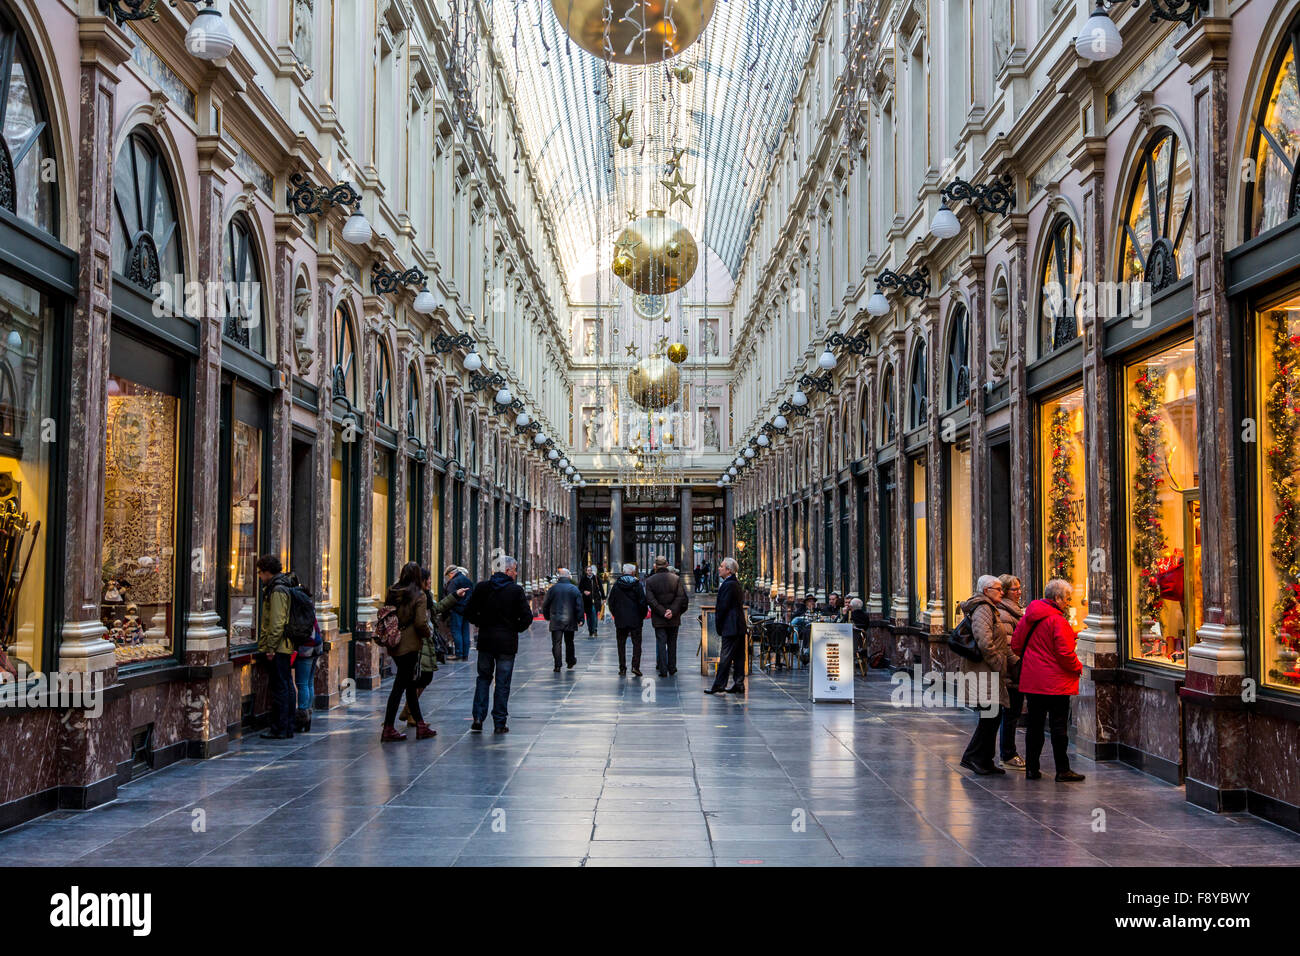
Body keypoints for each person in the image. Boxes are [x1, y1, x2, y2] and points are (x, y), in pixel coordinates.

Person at [1011, 578, 1085, 782]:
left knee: (1034, 726)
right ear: (1057, 598)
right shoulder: (1058, 621)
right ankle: (1062, 770)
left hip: (1033, 681)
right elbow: (1065, 653)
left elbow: (1016, 645)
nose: (1068, 603)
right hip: (1055, 683)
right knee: (1058, 726)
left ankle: (1032, 769)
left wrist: (1035, 657)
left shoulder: (1029, 616)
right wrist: (1077, 667)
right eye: (1067, 599)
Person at [463, 555, 533, 733]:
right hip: (507, 643)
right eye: (515, 570)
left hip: (486, 641)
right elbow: (527, 617)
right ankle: (499, 722)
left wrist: (481, 623)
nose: (516, 573)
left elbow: (469, 611)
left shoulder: (482, 587)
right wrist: (515, 628)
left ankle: (478, 717)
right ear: (507, 571)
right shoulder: (515, 591)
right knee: (502, 682)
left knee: (483, 678)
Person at [957, 575, 1016, 775]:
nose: (1002, 592)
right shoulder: (983, 608)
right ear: (985, 591)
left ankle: (985, 759)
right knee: (990, 716)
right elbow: (984, 641)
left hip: (988, 671)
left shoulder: (990, 607)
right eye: (998, 589)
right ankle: (972, 757)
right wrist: (998, 662)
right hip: (984, 671)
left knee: (993, 715)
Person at [398, 569, 469, 727]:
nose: (430, 581)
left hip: (426, 642)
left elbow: (437, 608)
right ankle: (410, 715)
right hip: (418, 643)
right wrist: (426, 632)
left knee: (423, 678)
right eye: (428, 579)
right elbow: (418, 622)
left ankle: (408, 711)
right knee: (417, 679)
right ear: (421, 580)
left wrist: (455, 595)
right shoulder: (416, 597)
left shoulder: (426, 596)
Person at [381, 562, 435, 742]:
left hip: (394, 642)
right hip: (410, 645)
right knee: (400, 686)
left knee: (410, 685)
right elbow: (420, 622)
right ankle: (388, 728)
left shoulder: (392, 591)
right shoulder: (419, 595)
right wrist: (427, 633)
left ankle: (420, 725)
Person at [255, 555, 296, 739]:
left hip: (279, 647)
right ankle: (287, 727)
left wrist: (271, 647)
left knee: (281, 688)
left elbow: (277, 622)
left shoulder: (278, 589)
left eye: (260, 572)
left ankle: (280, 728)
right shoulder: (282, 586)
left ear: (267, 572)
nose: (259, 576)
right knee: (286, 685)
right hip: (283, 645)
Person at [997, 574, 1027, 770]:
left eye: (1019, 588)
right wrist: (1018, 665)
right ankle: (1008, 753)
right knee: (1011, 713)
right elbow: (1008, 645)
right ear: (1005, 592)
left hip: (1014, 671)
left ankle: (1007, 752)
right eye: (1014, 589)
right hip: (1011, 672)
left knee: (1012, 713)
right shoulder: (1005, 613)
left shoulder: (1013, 610)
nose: (1019, 592)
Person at [705, 557, 747, 695]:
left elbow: (723, 607)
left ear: (728, 570)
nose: (719, 568)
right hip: (738, 626)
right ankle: (739, 684)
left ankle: (719, 685)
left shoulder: (728, 584)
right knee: (739, 656)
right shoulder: (734, 583)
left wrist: (719, 624)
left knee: (725, 657)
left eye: (721, 566)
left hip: (731, 626)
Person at [645, 555, 689, 677]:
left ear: (655, 566)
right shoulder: (676, 579)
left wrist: (662, 611)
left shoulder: (650, 581)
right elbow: (680, 597)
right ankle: (672, 667)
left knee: (661, 642)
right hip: (673, 618)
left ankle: (663, 669)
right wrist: (672, 611)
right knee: (672, 643)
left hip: (659, 618)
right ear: (667, 564)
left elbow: (650, 600)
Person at [606, 563, 648, 677]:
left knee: (621, 644)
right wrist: (641, 615)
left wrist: (616, 614)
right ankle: (635, 666)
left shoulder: (617, 585)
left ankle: (622, 668)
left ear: (623, 572)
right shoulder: (637, 585)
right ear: (633, 572)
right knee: (637, 644)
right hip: (635, 619)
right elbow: (642, 602)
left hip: (621, 619)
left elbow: (611, 602)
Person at [542, 568, 584, 672]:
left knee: (556, 643)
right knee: (569, 642)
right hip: (570, 619)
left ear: (559, 577)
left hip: (556, 619)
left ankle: (557, 665)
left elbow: (545, 604)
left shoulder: (553, 589)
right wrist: (580, 618)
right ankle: (570, 661)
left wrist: (547, 616)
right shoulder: (574, 589)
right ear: (568, 576)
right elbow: (579, 605)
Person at [443, 565, 474, 660]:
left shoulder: (453, 582)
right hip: (466, 610)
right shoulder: (467, 580)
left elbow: (450, 598)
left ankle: (458, 653)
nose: (449, 578)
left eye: (449, 575)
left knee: (456, 632)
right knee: (465, 632)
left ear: (452, 573)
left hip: (456, 610)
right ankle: (465, 654)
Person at [578, 565, 605, 639]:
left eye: (590, 570)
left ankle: (594, 630)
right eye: (588, 570)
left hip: (595, 600)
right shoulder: (583, 579)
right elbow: (579, 589)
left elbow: (601, 588)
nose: (589, 572)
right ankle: (590, 630)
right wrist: (584, 591)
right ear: (586, 571)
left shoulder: (596, 578)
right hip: (587, 600)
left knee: (594, 614)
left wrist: (603, 597)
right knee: (589, 616)